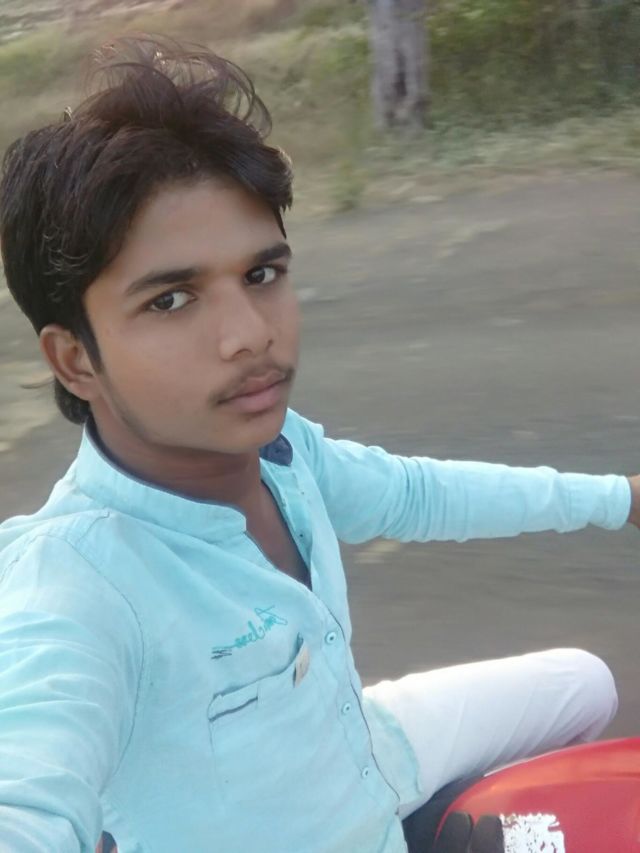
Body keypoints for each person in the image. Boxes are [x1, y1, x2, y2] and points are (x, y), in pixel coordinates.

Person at [0, 35, 637, 853]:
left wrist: (622, 497)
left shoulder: (281, 455)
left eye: (261, 275)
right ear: (75, 359)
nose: (248, 335)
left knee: (586, 683)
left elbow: (416, 494)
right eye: (170, 300)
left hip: (366, 748)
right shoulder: (75, 586)